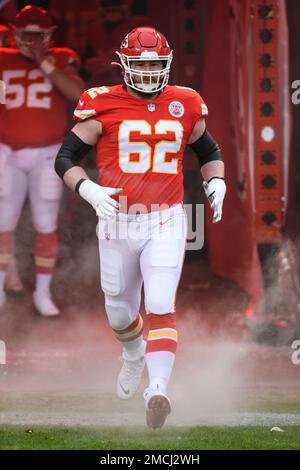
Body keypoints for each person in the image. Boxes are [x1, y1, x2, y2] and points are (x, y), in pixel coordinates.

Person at [55, 27, 226, 428]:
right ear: (124, 65)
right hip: (117, 220)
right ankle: (133, 355)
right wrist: (89, 189)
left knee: (162, 304)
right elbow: (65, 158)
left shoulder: (185, 102)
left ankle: (159, 390)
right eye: (141, 63)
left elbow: (209, 150)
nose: (149, 71)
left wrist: (215, 179)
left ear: (166, 64)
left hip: (165, 218)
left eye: (155, 63)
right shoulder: (101, 103)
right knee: (118, 312)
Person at [0, 5, 84, 316]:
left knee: (46, 223)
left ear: (49, 35)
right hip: (7, 151)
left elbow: (78, 93)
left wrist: (43, 63)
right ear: (13, 33)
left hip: (47, 153)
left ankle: (43, 293)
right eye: (25, 36)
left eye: (38, 36)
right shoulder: (3, 60)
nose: (31, 41)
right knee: (3, 223)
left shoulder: (62, 57)